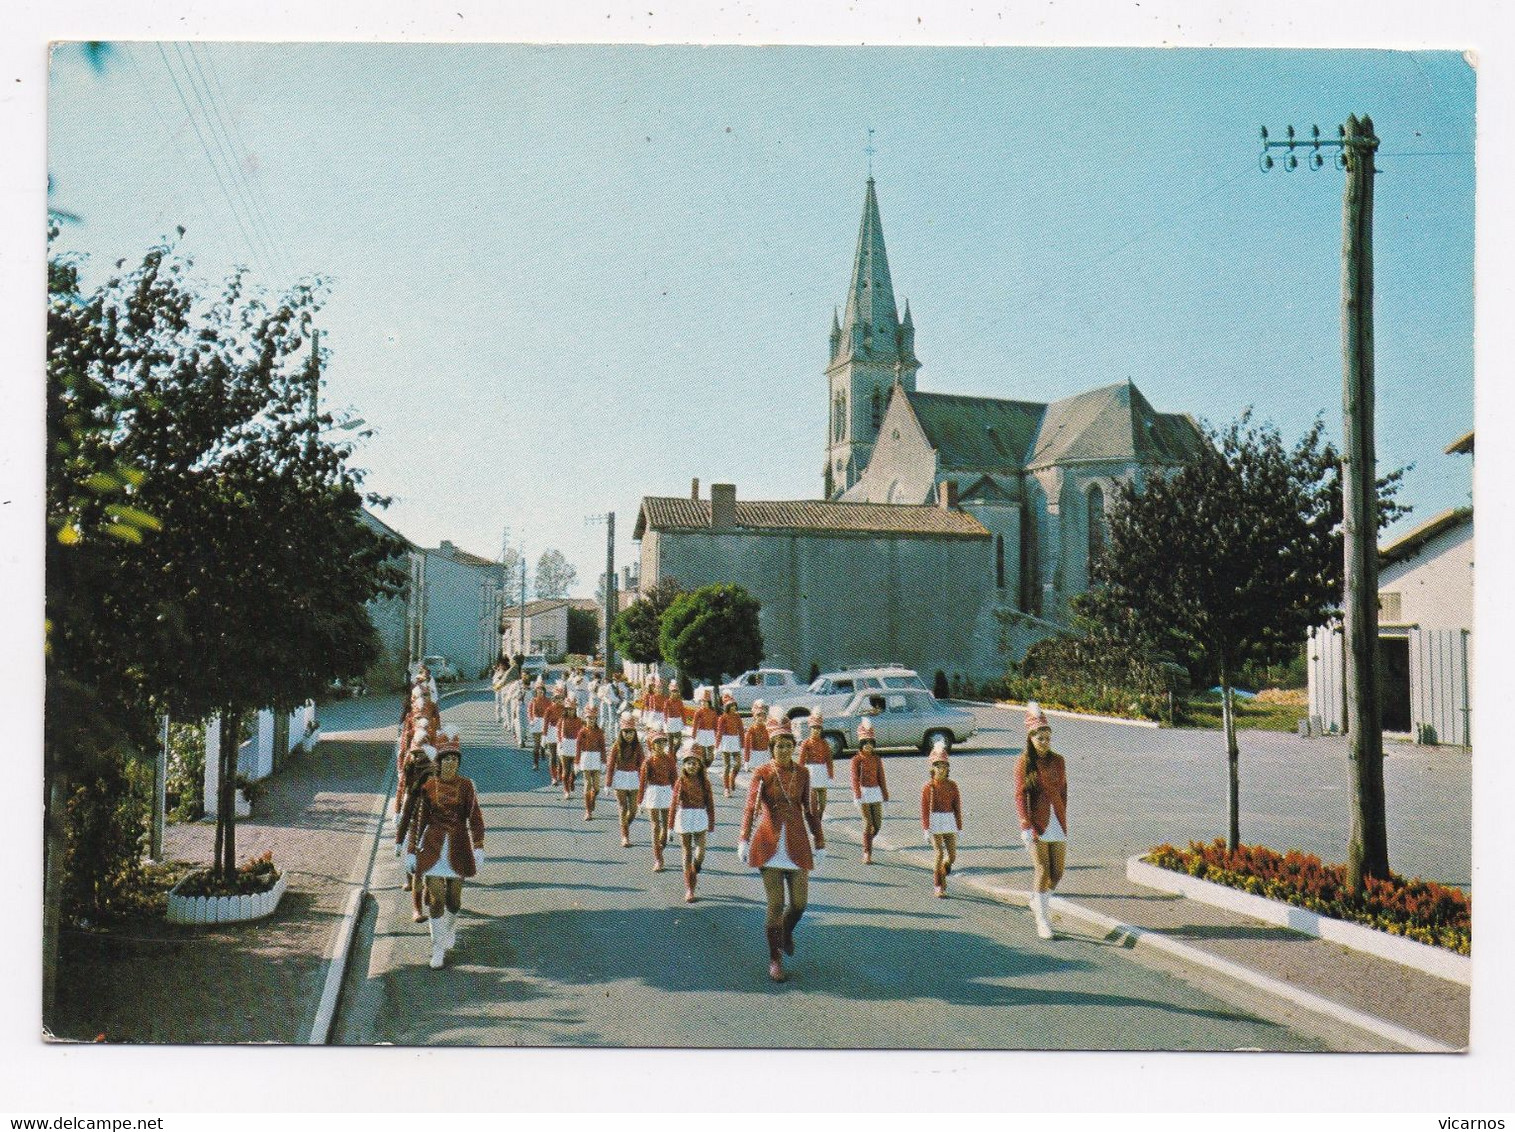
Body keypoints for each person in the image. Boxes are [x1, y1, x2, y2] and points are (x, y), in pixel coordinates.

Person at [738, 721, 825, 983]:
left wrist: (819, 840)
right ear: (771, 748)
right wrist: (743, 838)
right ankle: (775, 958)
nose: (784, 750)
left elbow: (810, 810)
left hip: (797, 843)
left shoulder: (803, 774)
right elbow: (751, 807)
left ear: (794, 748)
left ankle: (785, 933)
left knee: (799, 904)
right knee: (776, 904)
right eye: (779, 746)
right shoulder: (762, 772)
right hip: (769, 843)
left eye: (788, 746)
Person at [397, 730, 485, 969]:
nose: (451, 763)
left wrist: (478, 846)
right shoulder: (429, 786)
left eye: (455, 760)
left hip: (458, 845)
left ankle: (450, 926)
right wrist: (412, 851)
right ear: (439, 762)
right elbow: (419, 821)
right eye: (446, 759)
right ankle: (437, 948)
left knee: (453, 900)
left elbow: (475, 818)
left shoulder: (467, 786)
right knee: (436, 898)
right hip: (434, 846)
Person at [1015, 702, 1068, 939]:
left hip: (1056, 820)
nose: (1045, 742)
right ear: (1031, 738)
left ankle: (1037, 900)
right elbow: (1020, 795)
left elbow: (1064, 789)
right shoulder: (1024, 762)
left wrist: (1062, 813)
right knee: (1042, 869)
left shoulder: (1059, 760)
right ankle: (1042, 920)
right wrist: (1025, 825)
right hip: (1036, 822)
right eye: (1040, 738)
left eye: (1048, 737)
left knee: (1057, 873)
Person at [396, 738, 437, 921]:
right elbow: (406, 816)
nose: (417, 758)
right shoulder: (414, 789)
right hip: (416, 829)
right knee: (418, 872)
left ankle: (433, 892)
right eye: (415, 754)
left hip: (436, 833)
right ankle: (416, 909)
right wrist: (399, 841)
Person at [671, 748, 717, 902]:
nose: (692, 766)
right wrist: (670, 827)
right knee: (686, 852)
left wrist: (711, 825)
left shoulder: (705, 782)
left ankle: (695, 869)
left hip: (699, 815)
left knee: (700, 853)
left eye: (695, 763)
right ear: (684, 765)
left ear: (700, 766)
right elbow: (673, 804)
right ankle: (689, 888)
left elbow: (710, 804)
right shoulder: (680, 781)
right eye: (689, 763)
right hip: (684, 815)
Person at [921, 742, 963, 898]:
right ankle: (938, 885)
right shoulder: (928, 787)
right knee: (939, 853)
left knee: (952, 856)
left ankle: (943, 872)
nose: (942, 769)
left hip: (949, 821)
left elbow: (957, 807)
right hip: (934, 822)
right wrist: (926, 829)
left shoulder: (952, 786)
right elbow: (924, 810)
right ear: (932, 768)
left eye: (944, 766)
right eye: (938, 766)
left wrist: (959, 827)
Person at [850, 718, 889, 864]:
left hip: (875, 792)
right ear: (861, 744)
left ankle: (866, 842)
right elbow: (854, 779)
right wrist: (857, 795)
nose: (868, 746)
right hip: (863, 793)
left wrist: (885, 795)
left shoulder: (877, 759)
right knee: (868, 823)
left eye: (870, 743)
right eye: (865, 743)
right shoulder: (856, 760)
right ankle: (867, 852)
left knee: (877, 825)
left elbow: (881, 778)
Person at [638, 729, 677, 872]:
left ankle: (660, 847)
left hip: (667, 791)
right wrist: (640, 801)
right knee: (655, 826)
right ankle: (658, 859)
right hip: (653, 792)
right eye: (657, 742)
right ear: (651, 745)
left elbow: (675, 780)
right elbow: (642, 783)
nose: (661, 745)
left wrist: (677, 797)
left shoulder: (669, 759)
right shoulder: (648, 762)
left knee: (666, 827)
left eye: (663, 742)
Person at [605, 712, 645, 847]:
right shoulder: (616, 747)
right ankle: (625, 837)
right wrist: (608, 784)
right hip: (620, 778)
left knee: (633, 810)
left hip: (634, 778)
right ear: (621, 732)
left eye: (631, 732)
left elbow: (642, 765)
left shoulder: (638, 747)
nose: (629, 735)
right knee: (623, 808)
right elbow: (610, 766)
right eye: (626, 732)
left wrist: (645, 782)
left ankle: (624, 827)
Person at [798, 712, 835, 822]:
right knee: (812, 797)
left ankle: (819, 816)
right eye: (814, 728)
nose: (816, 731)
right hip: (811, 771)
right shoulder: (806, 743)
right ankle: (813, 819)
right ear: (810, 729)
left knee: (822, 800)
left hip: (822, 771)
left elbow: (829, 759)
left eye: (818, 728)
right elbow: (801, 760)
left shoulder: (824, 743)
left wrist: (830, 773)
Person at [577, 704, 607, 820]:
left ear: (596, 719)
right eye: (589, 718)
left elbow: (603, 747)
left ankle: (592, 799)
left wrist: (604, 762)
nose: (591, 720)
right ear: (585, 718)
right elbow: (578, 747)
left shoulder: (599, 732)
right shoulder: (582, 732)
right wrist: (577, 761)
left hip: (596, 758)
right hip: (585, 757)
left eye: (593, 718)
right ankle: (588, 811)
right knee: (587, 784)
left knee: (596, 787)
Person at [715, 694, 746, 797]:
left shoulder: (737, 717)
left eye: (734, 705)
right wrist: (717, 745)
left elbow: (741, 730)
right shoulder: (723, 717)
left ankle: (732, 778)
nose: (733, 708)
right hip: (726, 741)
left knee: (738, 763)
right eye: (731, 706)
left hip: (735, 741)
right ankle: (726, 788)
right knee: (727, 765)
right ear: (727, 707)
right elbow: (719, 732)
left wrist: (742, 743)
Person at [557, 697, 584, 799]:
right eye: (568, 709)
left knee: (575, 770)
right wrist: (560, 743)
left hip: (575, 746)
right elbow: (559, 733)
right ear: (566, 710)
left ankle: (572, 780)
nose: (571, 711)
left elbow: (582, 734)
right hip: (565, 746)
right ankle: (566, 790)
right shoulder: (562, 720)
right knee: (566, 770)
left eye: (572, 709)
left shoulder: (579, 721)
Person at [690, 688, 720, 772]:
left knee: (711, 755)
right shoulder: (698, 712)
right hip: (701, 733)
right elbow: (695, 724)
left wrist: (717, 734)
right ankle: (703, 770)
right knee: (702, 753)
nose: (703, 703)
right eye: (702, 701)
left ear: (709, 703)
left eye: (705, 701)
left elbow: (716, 724)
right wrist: (694, 735)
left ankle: (706, 766)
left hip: (710, 733)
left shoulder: (713, 712)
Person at [542, 687, 566, 785]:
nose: (560, 700)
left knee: (561, 755)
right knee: (553, 755)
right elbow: (545, 723)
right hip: (552, 732)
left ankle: (560, 774)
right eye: (558, 698)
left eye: (562, 698)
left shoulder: (566, 709)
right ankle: (554, 777)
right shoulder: (549, 709)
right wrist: (544, 736)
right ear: (554, 699)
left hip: (563, 733)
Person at [743, 698, 771, 775]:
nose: (761, 718)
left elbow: (772, 743)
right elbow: (747, 746)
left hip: (766, 754)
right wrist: (746, 761)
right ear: (755, 717)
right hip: (755, 755)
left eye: (763, 715)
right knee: (757, 776)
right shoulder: (751, 729)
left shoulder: (768, 728)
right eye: (758, 715)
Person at [527, 679, 549, 771]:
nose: (540, 691)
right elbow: (529, 712)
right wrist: (531, 720)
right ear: (536, 691)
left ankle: (543, 750)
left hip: (545, 722)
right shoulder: (533, 700)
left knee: (545, 742)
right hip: (536, 722)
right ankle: (535, 763)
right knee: (536, 744)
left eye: (542, 689)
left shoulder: (548, 701)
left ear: (544, 691)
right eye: (538, 689)